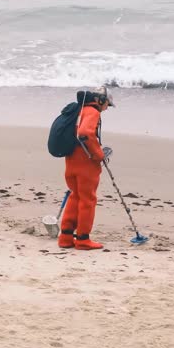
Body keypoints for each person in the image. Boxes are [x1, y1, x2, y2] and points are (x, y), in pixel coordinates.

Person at [59, 87, 114, 250]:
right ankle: (83, 239)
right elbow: (85, 132)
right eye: (107, 105)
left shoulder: (79, 110)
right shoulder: (92, 111)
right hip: (86, 163)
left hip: (70, 161)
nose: (106, 108)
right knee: (88, 200)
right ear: (100, 100)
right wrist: (99, 155)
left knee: (75, 196)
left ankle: (66, 237)